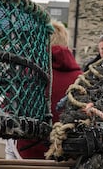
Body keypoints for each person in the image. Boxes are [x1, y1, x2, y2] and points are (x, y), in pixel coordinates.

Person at [13, 21, 83, 159]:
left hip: (27, 155)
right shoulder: (81, 78)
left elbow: (8, 110)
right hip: (68, 156)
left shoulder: (27, 73)